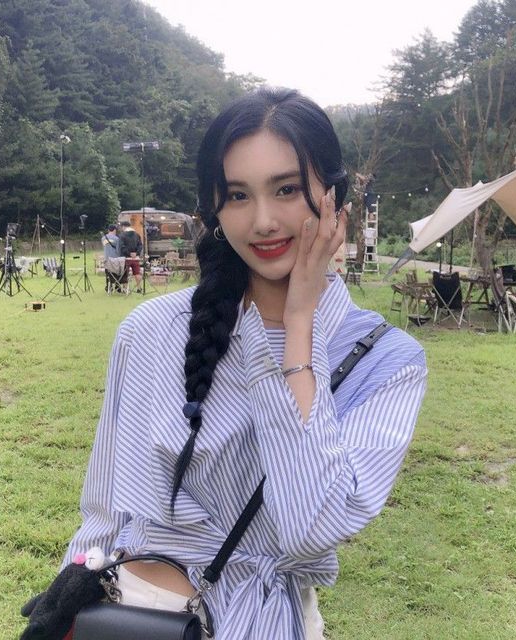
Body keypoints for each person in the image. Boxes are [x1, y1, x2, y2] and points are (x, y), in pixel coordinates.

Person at [35, 88, 427, 639]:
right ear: (215, 212)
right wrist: (65, 603)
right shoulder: (151, 330)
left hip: (264, 621)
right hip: (135, 614)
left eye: (287, 189)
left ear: (334, 198)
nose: (263, 221)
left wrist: (298, 330)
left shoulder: (385, 360)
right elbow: (104, 508)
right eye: (238, 195)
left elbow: (311, 528)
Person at [118, 220, 143, 292]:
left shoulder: (122, 235)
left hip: (126, 258)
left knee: (125, 274)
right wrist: (136, 253)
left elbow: (122, 247)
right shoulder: (137, 234)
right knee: (137, 273)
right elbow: (140, 245)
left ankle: (126, 289)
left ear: (123, 227)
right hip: (135, 258)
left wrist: (129, 253)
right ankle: (139, 288)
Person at [101, 224, 126, 292]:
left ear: (108, 230)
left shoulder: (103, 238)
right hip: (114, 259)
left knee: (108, 273)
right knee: (116, 273)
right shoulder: (116, 239)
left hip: (106, 258)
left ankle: (109, 286)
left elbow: (105, 247)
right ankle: (118, 287)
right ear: (114, 230)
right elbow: (118, 250)